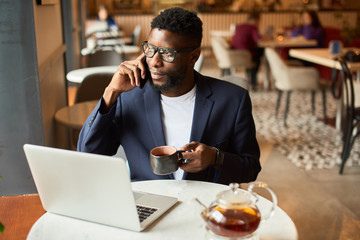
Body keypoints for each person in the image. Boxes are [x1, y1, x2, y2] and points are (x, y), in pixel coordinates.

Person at [77, 7, 261, 185]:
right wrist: (111, 92)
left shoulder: (232, 100)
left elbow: (251, 169)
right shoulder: (129, 98)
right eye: (150, 49)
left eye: (166, 53)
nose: (155, 62)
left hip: (204, 209)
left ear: (193, 56)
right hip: (148, 207)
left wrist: (216, 157)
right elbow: (88, 154)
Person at [231, 12, 264, 91]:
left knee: (256, 53)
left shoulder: (240, 26)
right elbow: (258, 40)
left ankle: (250, 79)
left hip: (234, 54)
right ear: (255, 20)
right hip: (246, 55)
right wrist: (266, 37)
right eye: (259, 21)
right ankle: (253, 81)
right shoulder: (252, 27)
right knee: (261, 52)